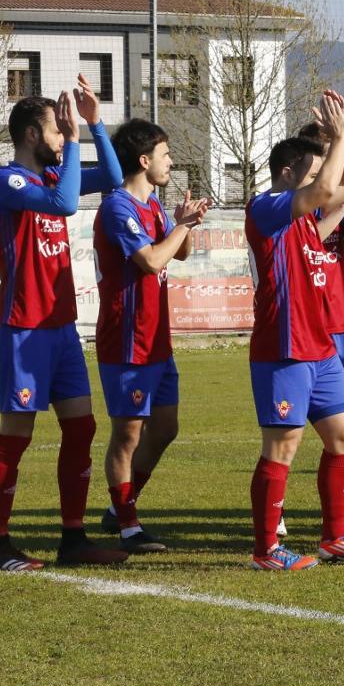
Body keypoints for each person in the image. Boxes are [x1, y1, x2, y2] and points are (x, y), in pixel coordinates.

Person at [0, 76, 127, 570]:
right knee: (17, 431)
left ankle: (73, 537)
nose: (62, 139)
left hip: (61, 328)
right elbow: (66, 205)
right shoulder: (7, 181)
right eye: (55, 131)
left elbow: (111, 175)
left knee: (81, 427)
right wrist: (75, 144)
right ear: (29, 136)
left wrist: (94, 123)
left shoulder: (50, 176)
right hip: (22, 328)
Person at [244, 91, 344, 569]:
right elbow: (325, 190)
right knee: (282, 447)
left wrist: (340, 140)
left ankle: (335, 537)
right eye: (311, 168)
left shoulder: (306, 222)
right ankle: (265, 549)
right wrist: (338, 138)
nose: (323, 178)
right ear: (287, 174)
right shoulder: (265, 207)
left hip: (319, 348)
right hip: (283, 348)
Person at [94, 119, 209, 553]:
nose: (171, 161)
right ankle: (126, 524)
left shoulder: (155, 206)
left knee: (165, 427)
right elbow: (151, 261)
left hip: (157, 339)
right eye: (165, 154)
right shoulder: (118, 207)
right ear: (144, 161)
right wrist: (178, 228)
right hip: (127, 341)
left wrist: (184, 223)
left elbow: (178, 250)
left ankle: (119, 507)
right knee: (128, 434)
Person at [272, 122, 344, 539]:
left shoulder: (333, 198)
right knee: (287, 430)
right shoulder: (286, 209)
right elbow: (312, 234)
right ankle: (274, 515)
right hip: (300, 325)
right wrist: (341, 192)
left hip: (338, 320)